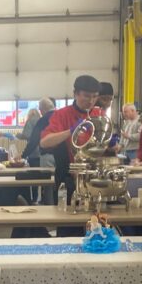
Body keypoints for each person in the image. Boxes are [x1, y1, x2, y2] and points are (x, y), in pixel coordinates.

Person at [40, 75, 100, 206]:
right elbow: (45, 142)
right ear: (75, 94)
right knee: (67, 222)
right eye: (87, 96)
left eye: (95, 96)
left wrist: (112, 145)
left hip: (93, 179)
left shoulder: (98, 115)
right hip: (67, 178)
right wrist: (71, 131)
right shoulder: (61, 115)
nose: (91, 101)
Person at [28, 97, 57, 204]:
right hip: (62, 156)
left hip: (47, 156)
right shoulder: (61, 116)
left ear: (43, 109)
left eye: (40, 110)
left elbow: (34, 140)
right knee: (60, 183)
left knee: (47, 184)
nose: (40, 112)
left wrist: (23, 155)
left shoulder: (43, 119)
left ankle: (49, 208)